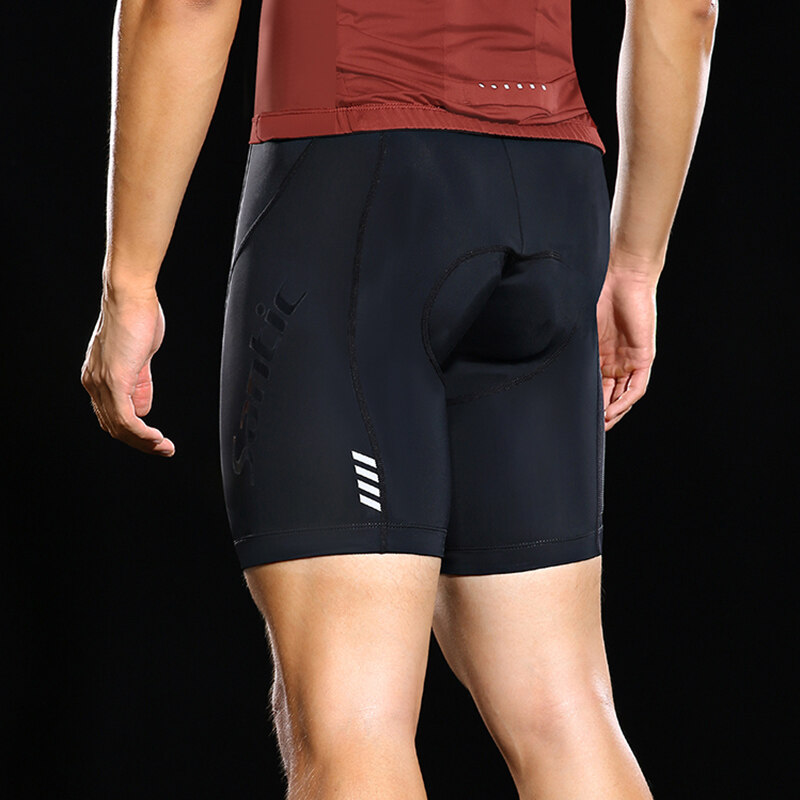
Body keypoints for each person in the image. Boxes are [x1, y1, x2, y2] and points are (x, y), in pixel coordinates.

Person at [81, 1, 718, 797]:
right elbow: (685, 12)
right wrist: (636, 263)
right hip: (554, 201)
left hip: (357, 185)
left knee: (353, 719)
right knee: (563, 710)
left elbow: (186, 6)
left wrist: (131, 282)